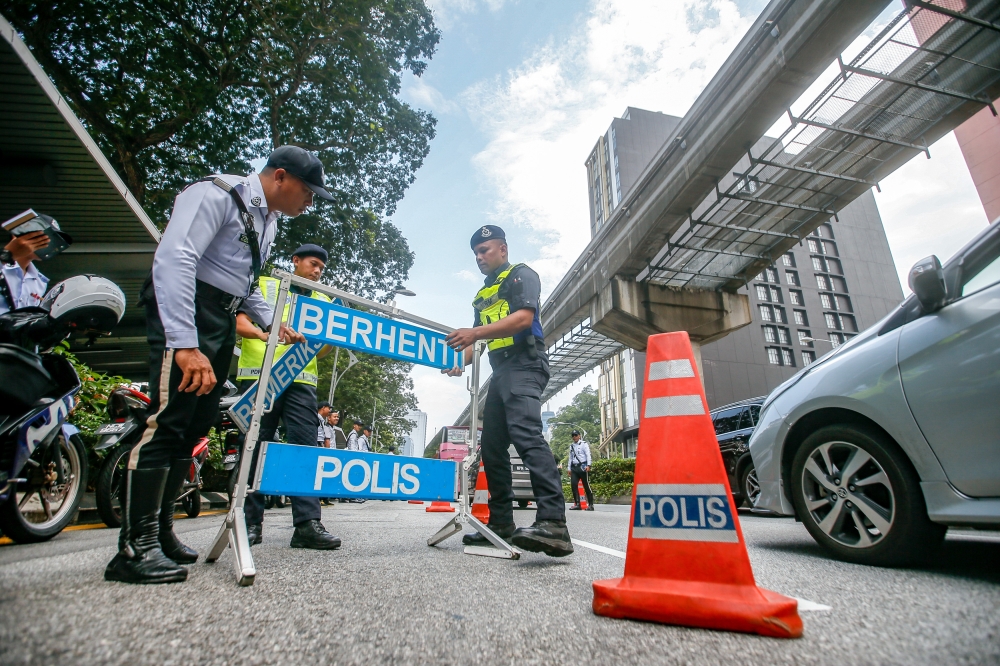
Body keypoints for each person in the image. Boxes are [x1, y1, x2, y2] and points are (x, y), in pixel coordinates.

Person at [104, 146, 331, 585]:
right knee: (167, 421)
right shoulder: (216, 194)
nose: (310, 200)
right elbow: (175, 259)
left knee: (193, 427)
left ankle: (160, 532)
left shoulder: (269, 221)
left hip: (220, 317)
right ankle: (134, 547)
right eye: (307, 190)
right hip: (187, 310)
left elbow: (245, 283)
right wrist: (183, 344)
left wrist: (272, 322)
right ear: (280, 177)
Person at [444, 225, 572, 557]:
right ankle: (501, 524)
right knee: (493, 446)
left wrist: (473, 335)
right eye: (475, 253)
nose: (479, 257)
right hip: (500, 372)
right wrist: (457, 360)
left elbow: (522, 319)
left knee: (526, 434)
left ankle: (554, 523)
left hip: (526, 363)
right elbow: (477, 341)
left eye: (485, 250)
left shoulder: (521, 275)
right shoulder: (481, 295)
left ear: (502, 248)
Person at [236, 243, 341, 550]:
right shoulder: (265, 285)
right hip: (260, 377)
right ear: (295, 261)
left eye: (322, 267)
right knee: (254, 446)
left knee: (304, 450)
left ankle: (307, 525)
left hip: (300, 383)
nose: (318, 270)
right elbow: (240, 322)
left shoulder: (324, 300)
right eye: (312, 263)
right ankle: (248, 524)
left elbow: (325, 347)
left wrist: (320, 345)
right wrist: (264, 334)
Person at [0, 224, 72, 314]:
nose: (47, 243)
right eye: (40, 237)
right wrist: (7, 255)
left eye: (51, 239)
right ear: (15, 236)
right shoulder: (2, 268)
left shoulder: (40, 281)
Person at [568, 431, 595, 511]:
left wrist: (588, 465)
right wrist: (569, 468)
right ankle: (578, 504)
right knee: (573, 485)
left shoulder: (584, 444)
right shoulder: (572, 446)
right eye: (573, 435)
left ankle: (591, 505)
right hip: (574, 468)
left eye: (576, 435)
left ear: (579, 436)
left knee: (586, 485)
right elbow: (570, 458)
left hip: (582, 466)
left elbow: (588, 454)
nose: (574, 437)